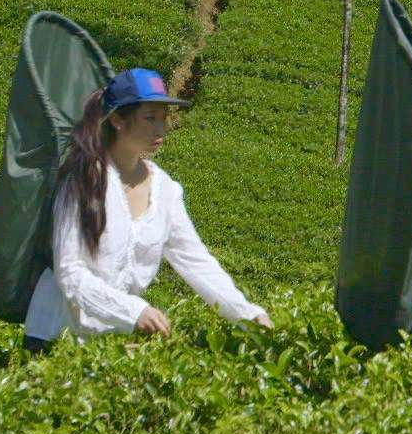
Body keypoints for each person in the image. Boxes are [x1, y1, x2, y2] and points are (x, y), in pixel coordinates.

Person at [23, 68, 268, 350]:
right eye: (150, 118)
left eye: (163, 118)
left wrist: (247, 314)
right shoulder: (84, 181)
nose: (160, 129)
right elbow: (70, 271)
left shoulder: (164, 189)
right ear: (117, 120)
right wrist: (133, 311)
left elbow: (196, 262)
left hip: (111, 337)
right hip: (55, 334)